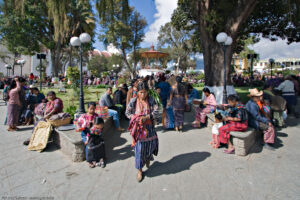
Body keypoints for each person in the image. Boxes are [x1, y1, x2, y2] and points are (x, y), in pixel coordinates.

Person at [126, 81, 159, 182]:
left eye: (145, 92)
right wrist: (135, 118)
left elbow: (156, 111)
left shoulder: (151, 100)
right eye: (141, 92)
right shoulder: (133, 101)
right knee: (139, 150)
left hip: (149, 128)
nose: (143, 95)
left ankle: (148, 158)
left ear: (148, 92)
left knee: (150, 146)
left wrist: (147, 117)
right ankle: (139, 170)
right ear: (137, 92)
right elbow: (127, 113)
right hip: (138, 130)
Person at [78, 103, 106, 168]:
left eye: (94, 109)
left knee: (98, 145)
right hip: (86, 134)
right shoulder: (83, 116)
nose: (92, 110)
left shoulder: (96, 116)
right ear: (87, 108)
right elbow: (79, 125)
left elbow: (100, 124)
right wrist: (82, 127)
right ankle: (90, 160)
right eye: (91, 109)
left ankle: (97, 158)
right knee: (88, 146)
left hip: (95, 134)